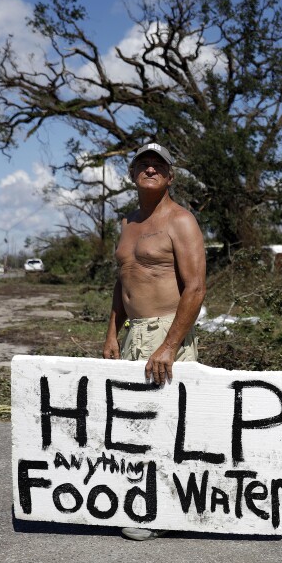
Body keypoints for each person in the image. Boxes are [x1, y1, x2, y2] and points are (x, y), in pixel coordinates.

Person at [102, 142, 206, 541]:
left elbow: (195, 288)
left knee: (164, 425)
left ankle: (158, 513)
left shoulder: (180, 221)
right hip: (133, 334)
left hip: (166, 333)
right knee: (134, 423)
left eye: (158, 164)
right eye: (143, 164)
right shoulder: (129, 222)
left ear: (170, 175)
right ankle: (139, 499)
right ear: (132, 174)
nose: (150, 169)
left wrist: (169, 345)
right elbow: (123, 280)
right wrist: (112, 330)